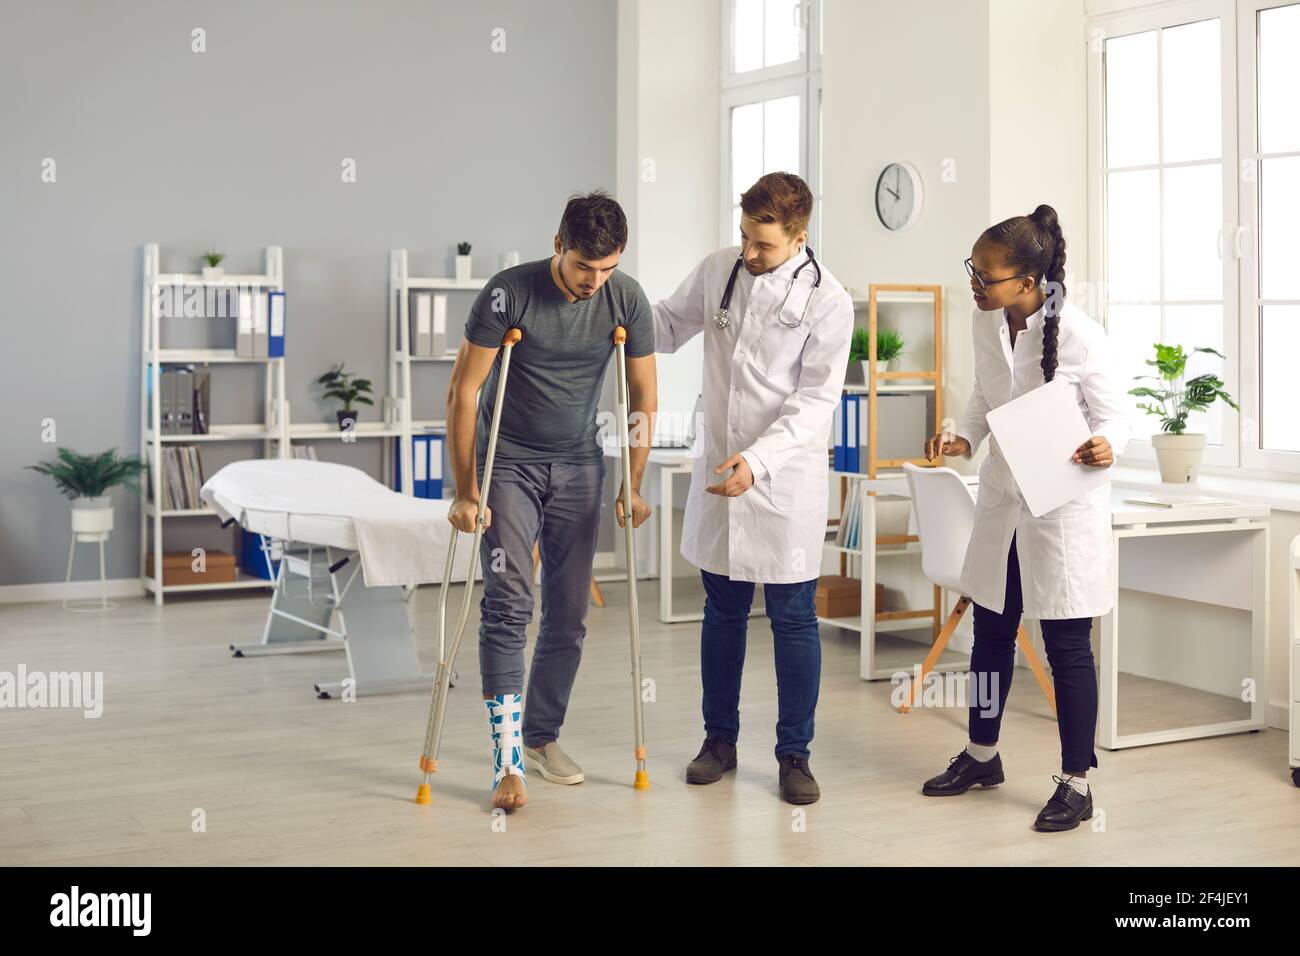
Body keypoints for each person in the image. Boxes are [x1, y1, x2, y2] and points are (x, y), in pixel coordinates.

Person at [446, 191, 657, 811]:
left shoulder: (627, 299)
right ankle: (507, 761)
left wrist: (634, 480)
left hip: (579, 466)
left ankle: (541, 737)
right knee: (510, 605)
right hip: (506, 464)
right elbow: (464, 392)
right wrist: (465, 489)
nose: (594, 282)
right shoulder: (508, 294)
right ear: (558, 245)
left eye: (607, 270)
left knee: (568, 617)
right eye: (583, 268)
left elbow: (641, 396)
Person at [921, 204, 1130, 832]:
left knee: (1067, 646)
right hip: (1003, 501)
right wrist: (961, 435)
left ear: (1030, 281)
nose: (975, 284)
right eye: (973, 271)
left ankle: (1077, 782)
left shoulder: (1080, 335)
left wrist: (1108, 442)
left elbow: (1118, 413)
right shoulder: (987, 324)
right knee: (990, 631)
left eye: (986, 276)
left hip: (1062, 510)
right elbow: (986, 398)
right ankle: (982, 756)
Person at [652, 172, 853, 805]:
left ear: (800, 235)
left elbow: (815, 403)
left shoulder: (829, 301)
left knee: (793, 617)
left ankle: (795, 753)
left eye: (764, 244)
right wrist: (607, 302)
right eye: (744, 236)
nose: (750, 252)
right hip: (719, 469)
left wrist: (759, 462)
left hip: (781, 479)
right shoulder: (720, 269)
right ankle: (719, 741)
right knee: (723, 611)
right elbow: (664, 325)